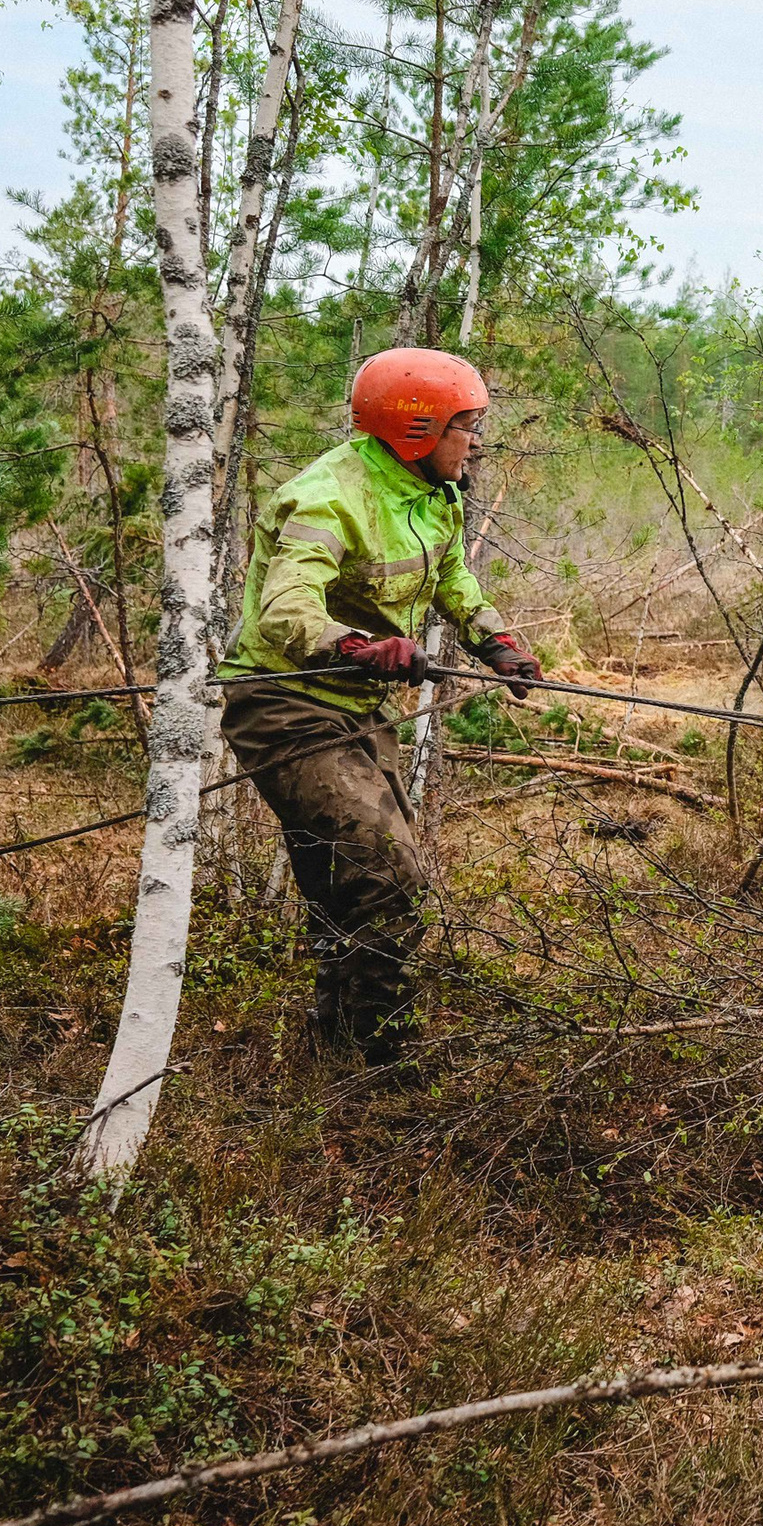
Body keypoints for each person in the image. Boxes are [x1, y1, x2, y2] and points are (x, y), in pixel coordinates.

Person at [218, 348, 543, 1064]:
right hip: (284, 706)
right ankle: (384, 1054)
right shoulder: (327, 497)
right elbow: (284, 611)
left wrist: (496, 641)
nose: (476, 441)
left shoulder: (435, 492)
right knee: (391, 877)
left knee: (341, 876)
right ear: (416, 431)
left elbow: (451, 572)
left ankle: (333, 1039)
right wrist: (362, 646)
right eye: (467, 426)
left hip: (359, 709)